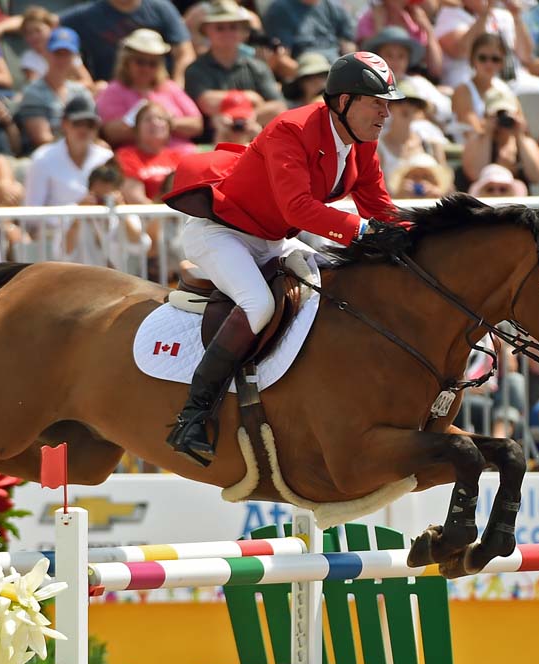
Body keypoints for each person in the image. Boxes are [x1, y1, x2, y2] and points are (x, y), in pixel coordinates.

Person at [161, 51, 399, 464]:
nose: (385, 112)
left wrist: (418, 237)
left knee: (333, 287)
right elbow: (298, 209)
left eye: (387, 103)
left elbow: (378, 206)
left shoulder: (362, 142)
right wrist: (360, 231)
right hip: (222, 234)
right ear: (343, 102)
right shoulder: (291, 129)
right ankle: (192, 416)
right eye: (376, 101)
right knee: (259, 304)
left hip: (272, 240)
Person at [184, 0, 285, 139]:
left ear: (244, 32)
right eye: (220, 27)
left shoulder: (258, 67)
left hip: (253, 139)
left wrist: (250, 116)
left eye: (233, 27)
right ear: (206, 31)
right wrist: (251, 98)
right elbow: (207, 102)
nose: (227, 32)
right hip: (209, 142)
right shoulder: (195, 69)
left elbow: (279, 107)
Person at [97, 29, 202, 147]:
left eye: (153, 64)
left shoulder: (170, 87)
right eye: (140, 62)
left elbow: (197, 124)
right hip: (135, 160)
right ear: (127, 62)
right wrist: (144, 125)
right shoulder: (114, 91)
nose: (146, 68)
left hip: (180, 154)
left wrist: (168, 122)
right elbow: (110, 133)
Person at [59, 0, 193, 86]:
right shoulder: (87, 14)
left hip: (157, 90)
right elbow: (49, 27)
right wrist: (80, 72)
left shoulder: (161, 8)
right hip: (111, 91)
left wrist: (177, 85)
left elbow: (185, 52)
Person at [23, 95, 114, 205]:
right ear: (64, 123)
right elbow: (32, 215)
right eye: (78, 123)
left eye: (90, 124)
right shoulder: (42, 158)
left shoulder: (107, 158)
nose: (84, 129)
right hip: (53, 223)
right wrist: (77, 211)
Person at [15, 25, 92, 153]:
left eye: (67, 54)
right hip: (47, 155)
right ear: (46, 54)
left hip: (80, 150)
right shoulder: (33, 92)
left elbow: (92, 129)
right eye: (57, 53)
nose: (62, 59)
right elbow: (42, 138)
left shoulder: (81, 92)